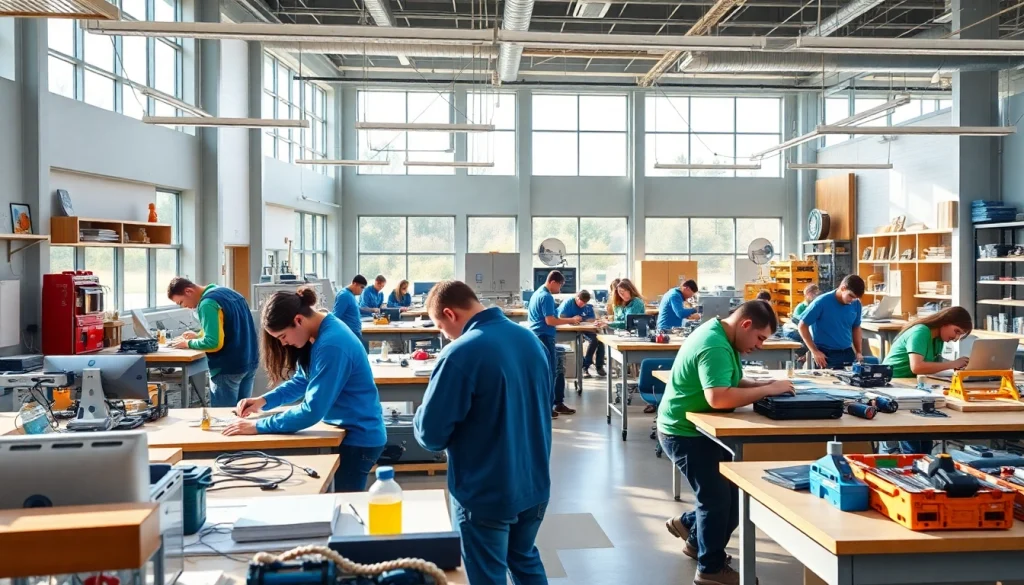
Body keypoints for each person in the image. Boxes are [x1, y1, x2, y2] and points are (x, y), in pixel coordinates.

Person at [414, 281, 551, 585]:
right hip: (533, 482)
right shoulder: (530, 340)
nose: (443, 334)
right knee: (525, 559)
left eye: (440, 326)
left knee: (486, 574)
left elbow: (431, 434)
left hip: (486, 490)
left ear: (449, 314)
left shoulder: (460, 353)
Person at [658, 301, 794, 585]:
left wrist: (759, 385)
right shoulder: (716, 345)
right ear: (746, 324)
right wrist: (769, 389)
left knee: (730, 502)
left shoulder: (720, 333)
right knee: (717, 501)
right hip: (685, 432)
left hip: (699, 428)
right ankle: (710, 568)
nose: (760, 346)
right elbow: (718, 397)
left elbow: (728, 379)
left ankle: (692, 533)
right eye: (760, 338)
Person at [228, 288, 387, 492]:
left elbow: (312, 410)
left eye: (283, 336)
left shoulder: (332, 344)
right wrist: (264, 401)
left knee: (343, 507)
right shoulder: (320, 332)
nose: (284, 343)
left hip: (358, 438)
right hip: (343, 431)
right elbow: (303, 380)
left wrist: (258, 426)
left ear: (298, 320)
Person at [880, 306, 972, 455]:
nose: (955, 339)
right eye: (956, 331)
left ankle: (923, 467)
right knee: (914, 443)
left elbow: (932, 367)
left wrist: (956, 369)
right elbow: (917, 367)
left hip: (911, 387)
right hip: (892, 386)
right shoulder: (921, 332)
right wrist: (952, 364)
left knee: (926, 438)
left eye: (959, 335)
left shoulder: (938, 340)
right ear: (946, 322)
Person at [167, 278, 259, 407]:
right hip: (249, 362)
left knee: (223, 417)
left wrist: (188, 344)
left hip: (227, 368)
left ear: (188, 291)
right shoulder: (230, 293)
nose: (186, 307)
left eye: (181, 302)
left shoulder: (207, 303)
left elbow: (213, 343)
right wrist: (199, 335)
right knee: (242, 413)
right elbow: (230, 327)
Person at [528, 270, 581, 417]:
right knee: (551, 371)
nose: (560, 289)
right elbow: (550, 321)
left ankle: (555, 403)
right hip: (545, 336)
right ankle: (550, 405)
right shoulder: (546, 297)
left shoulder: (537, 293)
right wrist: (571, 320)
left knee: (548, 370)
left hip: (537, 336)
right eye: (560, 286)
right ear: (553, 282)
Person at [797, 275, 866, 369]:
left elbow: (856, 327)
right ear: (843, 288)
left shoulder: (856, 303)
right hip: (825, 355)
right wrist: (814, 351)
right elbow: (802, 326)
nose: (852, 300)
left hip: (847, 352)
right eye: (851, 296)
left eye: (856, 298)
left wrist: (858, 352)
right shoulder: (821, 302)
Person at [558, 290, 605, 378]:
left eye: (584, 303)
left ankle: (591, 365)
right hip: (568, 327)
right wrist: (572, 319)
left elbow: (591, 319)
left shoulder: (587, 306)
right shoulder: (568, 303)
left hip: (583, 327)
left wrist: (581, 319)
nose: (582, 304)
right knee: (577, 343)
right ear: (577, 297)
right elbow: (561, 316)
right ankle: (584, 366)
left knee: (597, 340)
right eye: (581, 301)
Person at [334, 275, 369, 351]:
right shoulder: (344, 295)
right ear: (354, 284)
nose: (362, 290)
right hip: (349, 334)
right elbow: (336, 316)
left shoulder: (350, 295)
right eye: (361, 287)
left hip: (355, 332)